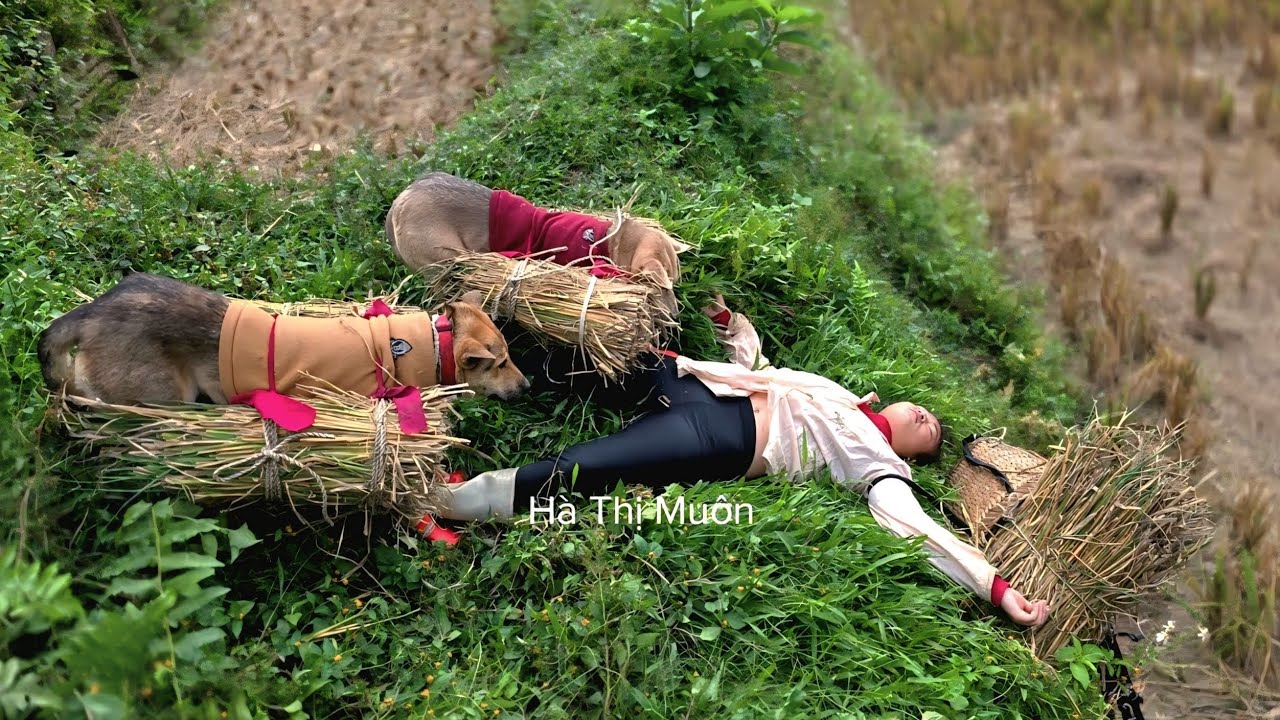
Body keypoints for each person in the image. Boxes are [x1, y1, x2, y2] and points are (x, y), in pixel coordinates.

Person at [432, 296, 1051, 627]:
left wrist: (993, 587)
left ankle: (454, 499)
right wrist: (733, 326)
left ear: (911, 455)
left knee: (586, 467)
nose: (927, 419)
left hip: (719, 438)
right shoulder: (844, 396)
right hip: (700, 383)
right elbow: (761, 369)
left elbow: (914, 527)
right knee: (592, 359)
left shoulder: (880, 464)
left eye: (931, 433)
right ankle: (459, 359)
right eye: (927, 413)